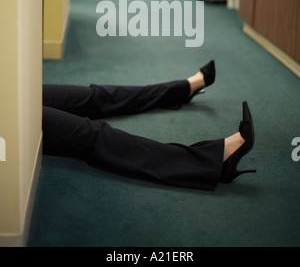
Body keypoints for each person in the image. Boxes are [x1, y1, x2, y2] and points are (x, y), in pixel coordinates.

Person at [42, 60, 256, 192]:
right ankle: (214, 160)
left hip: (21, 95)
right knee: (95, 134)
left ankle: (184, 89)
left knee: (97, 96)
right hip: (14, 116)